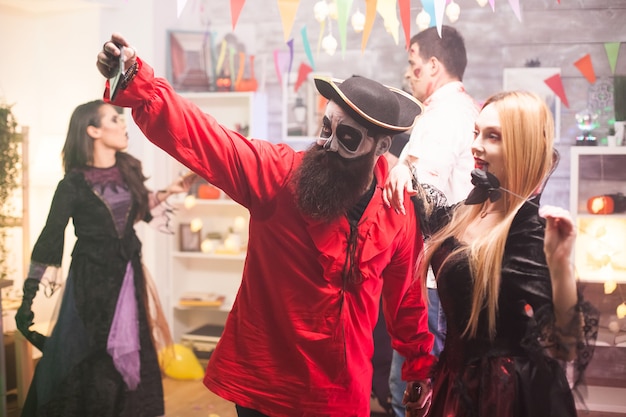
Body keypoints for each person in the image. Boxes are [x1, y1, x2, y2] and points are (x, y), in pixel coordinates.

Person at [95, 33, 437, 417]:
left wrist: (419, 368)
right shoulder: (278, 173)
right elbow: (208, 139)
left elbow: (407, 299)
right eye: (327, 128)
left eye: (347, 138)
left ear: (379, 148)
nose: (327, 145)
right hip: (265, 385)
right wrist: (136, 82)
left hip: (339, 390)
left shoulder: (397, 210)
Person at [384, 90, 598, 417]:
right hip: (452, 387)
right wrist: (401, 169)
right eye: (476, 132)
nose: (475, 145)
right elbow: (427, 201)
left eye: (492, 136)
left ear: (521, 147)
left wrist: (559, 264)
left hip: (506, 399)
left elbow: (565, 345)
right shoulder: (465, 213)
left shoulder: (527, 233)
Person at [14, 99, 196, 417]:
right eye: (115, 119)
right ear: (93, 130)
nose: (124, 124)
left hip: (127, 276)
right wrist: (28, 296)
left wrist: (170, 190)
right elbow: (50, 237)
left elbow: (133, 210)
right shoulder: (71, 184)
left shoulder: (128, 170)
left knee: (129, 352)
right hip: (91, 282)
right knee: (94, 358)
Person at [387, 25, 479, 417]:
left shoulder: (444, 117)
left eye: (414, 64)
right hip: (451, 271)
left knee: (413, 392)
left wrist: (385, 167)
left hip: (435, 278)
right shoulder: (465, 109)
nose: (409, 74)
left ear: (434, 66)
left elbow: (425, 198)